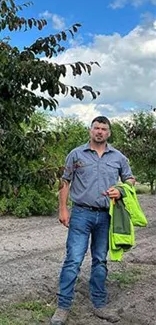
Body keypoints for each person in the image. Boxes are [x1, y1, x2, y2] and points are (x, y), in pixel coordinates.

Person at [50, 116, 135, 325]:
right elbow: (65, 181)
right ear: (90, 130)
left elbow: (130, 179)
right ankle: (63, 307)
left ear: (109, 133)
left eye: (104, 129)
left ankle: (100, 305)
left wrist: (121, 190)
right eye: (96, 128)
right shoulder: (76, 154)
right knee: (73, 260)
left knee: (100, 260)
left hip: (107, 216)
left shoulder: (118, 157)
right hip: (80, 214)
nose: (99, 132)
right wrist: (62, 209)